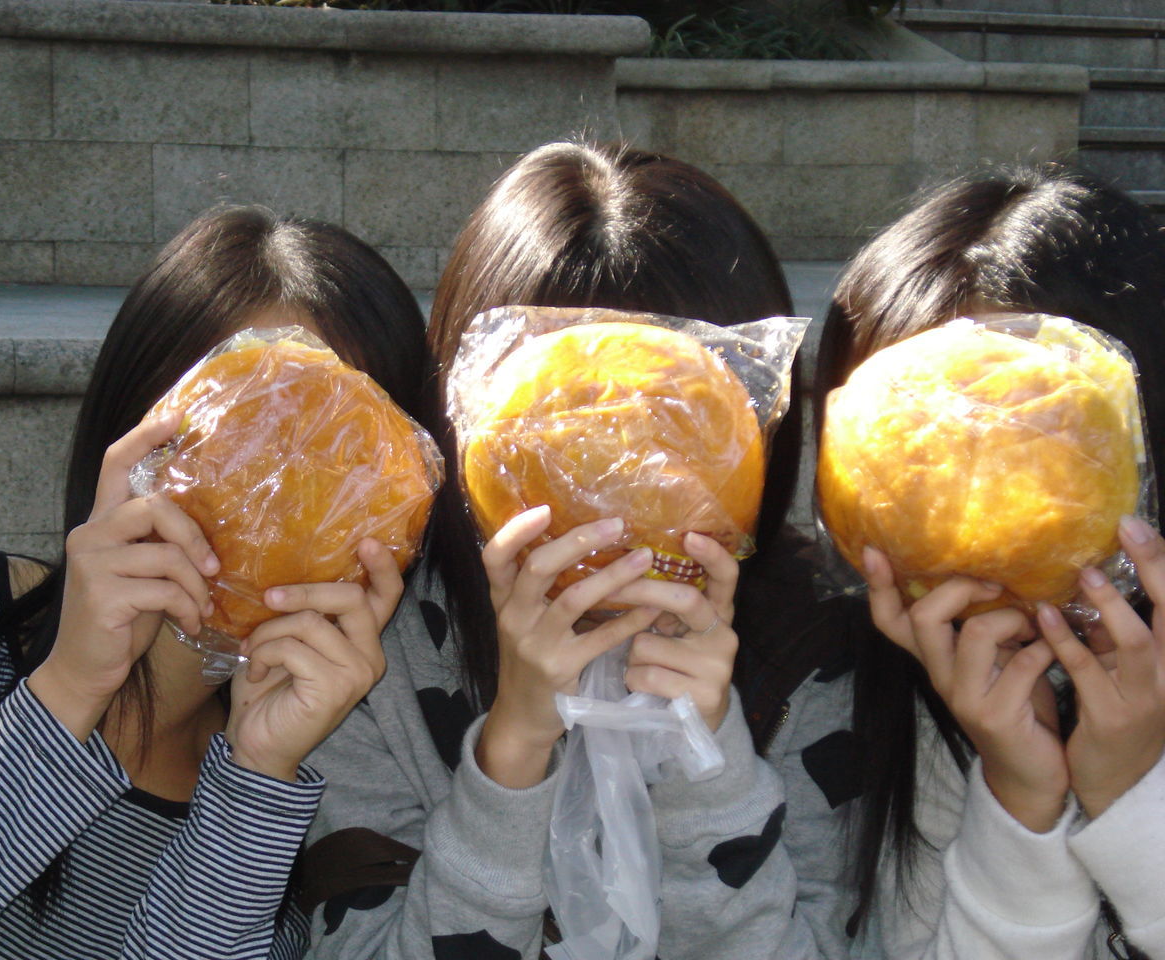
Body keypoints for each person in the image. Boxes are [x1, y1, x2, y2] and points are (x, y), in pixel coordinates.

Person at [301, 139, 830, 959]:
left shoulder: (816, 652)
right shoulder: (371, 654)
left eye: (676, 417)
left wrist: (707, 760)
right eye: (569, 424)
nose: (624, 469)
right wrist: (511, 749)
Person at [0, 206, 430, 959]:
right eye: (250, 426)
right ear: (134, 425)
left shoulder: (325, 808)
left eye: (351, 457)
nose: (283, 489)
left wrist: (256, 775)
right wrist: (70, 687)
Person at [771, 165, 1165, 960]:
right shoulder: (861, 697)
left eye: (1038, 437)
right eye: (917, 451)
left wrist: (1133, 793)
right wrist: (1020, 797)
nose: (976, 502)